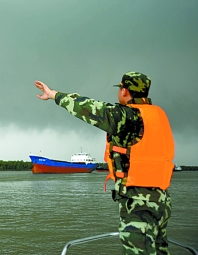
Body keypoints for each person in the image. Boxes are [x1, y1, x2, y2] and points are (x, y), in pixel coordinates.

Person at [34, 72, 174, 255]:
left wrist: (54, 95)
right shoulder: (158, 115)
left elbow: (89, 108)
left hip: (139, 202)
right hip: (162, 201)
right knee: (160, 250)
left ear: (124, 91)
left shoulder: (127, 117)